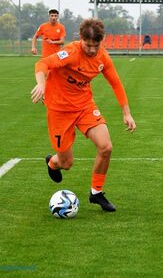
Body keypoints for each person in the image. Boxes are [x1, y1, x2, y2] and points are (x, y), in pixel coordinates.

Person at [31, 19, 137, 212]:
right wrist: (41, 84)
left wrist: (127, 113)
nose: (92, 49)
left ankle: (96, 193)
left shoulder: (102, 57)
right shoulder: (71, 52)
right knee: (66, 163)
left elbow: (116, 83)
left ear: (101, 41)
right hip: (59, 110)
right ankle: (53, 163)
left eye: (96, 45)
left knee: (106, 147)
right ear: (81, 40)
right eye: (88, 45)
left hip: (84, 107)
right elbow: (42, 63)